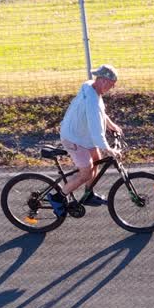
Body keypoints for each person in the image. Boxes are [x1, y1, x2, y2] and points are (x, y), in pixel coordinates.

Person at [48, 64, 123, 217]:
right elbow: (96, 130)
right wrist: (109, 149)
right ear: (102, 80)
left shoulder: (91, 88)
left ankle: (88, 194)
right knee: (86, 171)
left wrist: (111, 125)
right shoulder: (91, 100)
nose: (112, 88)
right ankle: (58, 197)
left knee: (97, 159)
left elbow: (101, 113)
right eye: (111, 84)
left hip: (82, 135)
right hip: (73, 137)